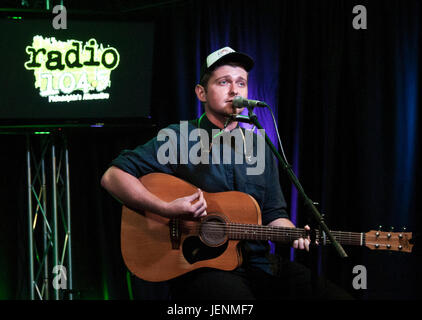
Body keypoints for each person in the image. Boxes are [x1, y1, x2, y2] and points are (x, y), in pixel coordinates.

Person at [101, 47, 352, 300]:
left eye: (241, 83)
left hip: (260, 264)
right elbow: (113, 176)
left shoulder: (261, 146)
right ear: (201, 92)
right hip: (202, 267)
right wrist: (166, 208)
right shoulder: (178, 138)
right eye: (224, 82)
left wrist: (294, 234)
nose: (235, 90)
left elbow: (275, 215)